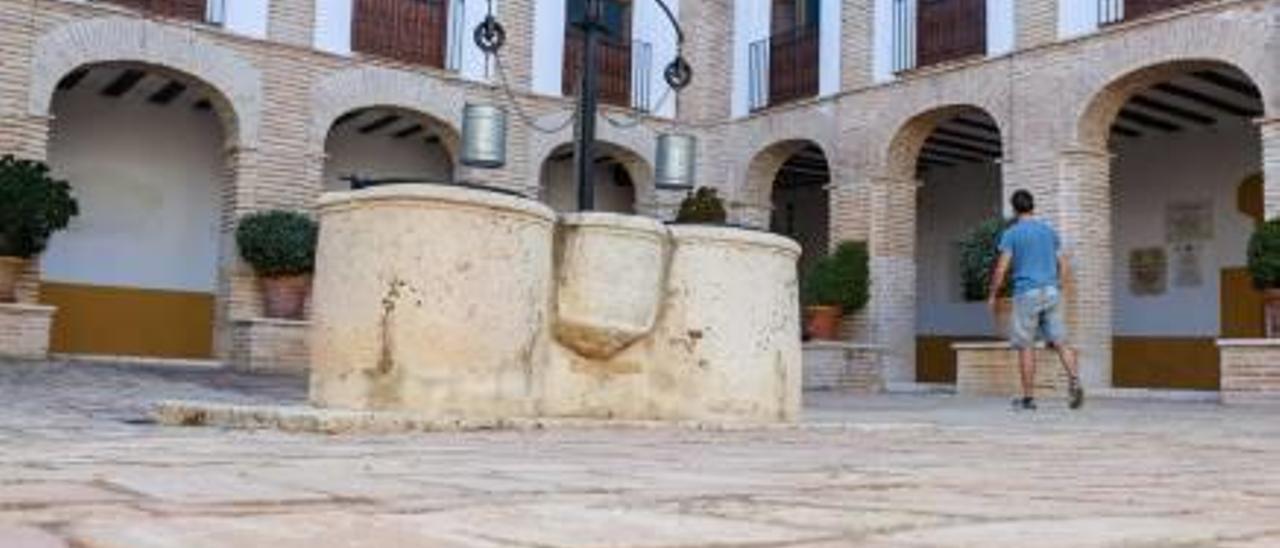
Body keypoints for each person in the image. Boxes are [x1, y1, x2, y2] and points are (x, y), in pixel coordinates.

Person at [988, 190, 1084, 411]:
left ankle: (1029, 399)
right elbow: (1064, 263)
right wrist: (1058, 285)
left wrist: (993, 294)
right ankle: (1075, 380)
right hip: (1051, 291)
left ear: (1014, 209)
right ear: (1033, 206)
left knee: (1026, 346)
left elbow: (1002, 268)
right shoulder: (1048, 232)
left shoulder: (1012, 234)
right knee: (1060, 341)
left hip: (1026, 293)